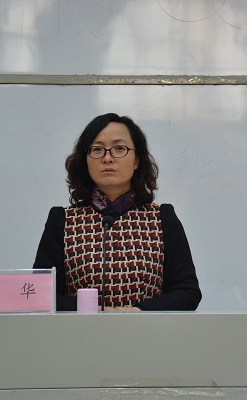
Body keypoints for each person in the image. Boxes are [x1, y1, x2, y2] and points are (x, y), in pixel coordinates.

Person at [34, 113, 201, 312]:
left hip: (148, 330)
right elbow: (41, 294)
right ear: (86, 160)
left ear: (136, 160)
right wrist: (95, 311)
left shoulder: (162, 218)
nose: (107, 158)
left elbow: (187, 292)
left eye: (119, 149)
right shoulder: (62, 220)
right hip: (80, 331)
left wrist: (138, 311)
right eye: (97, 149)